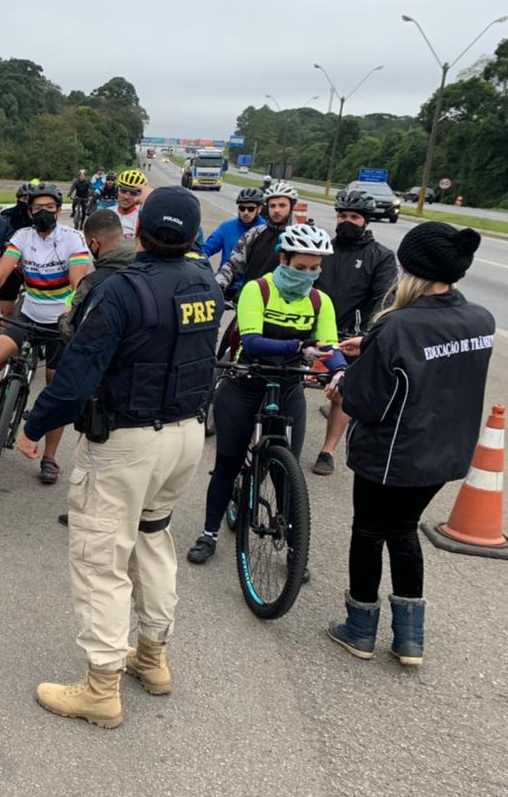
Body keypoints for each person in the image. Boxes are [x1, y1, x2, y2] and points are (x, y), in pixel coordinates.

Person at [24, 186, 223, 729]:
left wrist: (34, 426)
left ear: (140, 233)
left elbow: (76, 378)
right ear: (191, 235)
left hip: (127, 443)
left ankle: (100, 689)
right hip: (185, 435)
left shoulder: (121, 290)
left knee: (101, 557)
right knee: (153, 540)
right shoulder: (207, 281)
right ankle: (153, 661)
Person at [327, 222, 493, 667]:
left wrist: (344, 375)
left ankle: (359, 630)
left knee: (369, 533)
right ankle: (409, 639)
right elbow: (432, 362)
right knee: (404, 530)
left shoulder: (397, 325)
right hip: (445, 453)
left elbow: (365, 401)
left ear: (410, 269)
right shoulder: (481, 319)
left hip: (392, 455)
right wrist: (373, 346)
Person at [186, 224, 346, 568]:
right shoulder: (256, 291)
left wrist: (339, 368)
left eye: (314, 268)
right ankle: (210, 533)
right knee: (227, 465)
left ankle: (293, 543)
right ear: (283, 259)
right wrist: (300, 348)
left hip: (288, 390)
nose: (307, 275)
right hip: (245, 386)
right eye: (299, 267)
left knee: (286, 474)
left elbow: (329, 347)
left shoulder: (321, 301)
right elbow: (253, 341)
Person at [0, 183, 90, 483]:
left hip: (61, 322)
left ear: (58, 210)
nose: (43, 213)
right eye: (37, 208)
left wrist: (72, 312)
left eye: (49, 208)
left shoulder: (73, 239)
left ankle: (49, 457)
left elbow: (79, 283)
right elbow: (2, 272)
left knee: (55, 386)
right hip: (29, 313)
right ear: (30, 210)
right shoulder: (22, 236)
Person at [52, 209, 136, 525]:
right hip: (149, 385)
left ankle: (89, 515)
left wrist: (63, 319)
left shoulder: (95, 282)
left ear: (93, 244)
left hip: (106, 385)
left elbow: (72, 331)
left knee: (94, 454)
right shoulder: (149, 268)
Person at [309, 189, 398, 476]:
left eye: (354, 217)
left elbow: (383, 300)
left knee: (342, 394)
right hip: (312, 331)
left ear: (366, 221)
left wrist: (367, 336)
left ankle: (327, 451)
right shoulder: (323, 249)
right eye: (342, 215)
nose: (347, 221)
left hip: (351, 336)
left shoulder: (381, 257)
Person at [215, 179, 299, 295]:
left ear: (291, 207)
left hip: (281, 305)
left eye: (282, 205)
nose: (276, 210)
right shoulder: (254, 234)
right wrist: (218, 285)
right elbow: (233, 265)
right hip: (251, 299)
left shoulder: (298, 238)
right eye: (272, 206)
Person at [0, 181, 34, 307]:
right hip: (9, 269)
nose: (27, 203)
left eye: (30, 200)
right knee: (6, 312)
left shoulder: (40, 221)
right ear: (18, 200)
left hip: (33, 270)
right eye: (24, 199)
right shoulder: (7, 219)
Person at [202, 188, 265, 269]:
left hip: (253, 280)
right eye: (242, 208)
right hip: (225, 279)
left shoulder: (266, 230)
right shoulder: (226, 227)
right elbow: (207, 248)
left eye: (250, 209)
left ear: (259, 209)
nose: (245, 212)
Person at [110, 168, 146, 239]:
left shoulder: (143, 219)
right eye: (123, 191)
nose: (126, 197)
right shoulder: (107, 213)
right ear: (117, 191)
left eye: (133, 193)